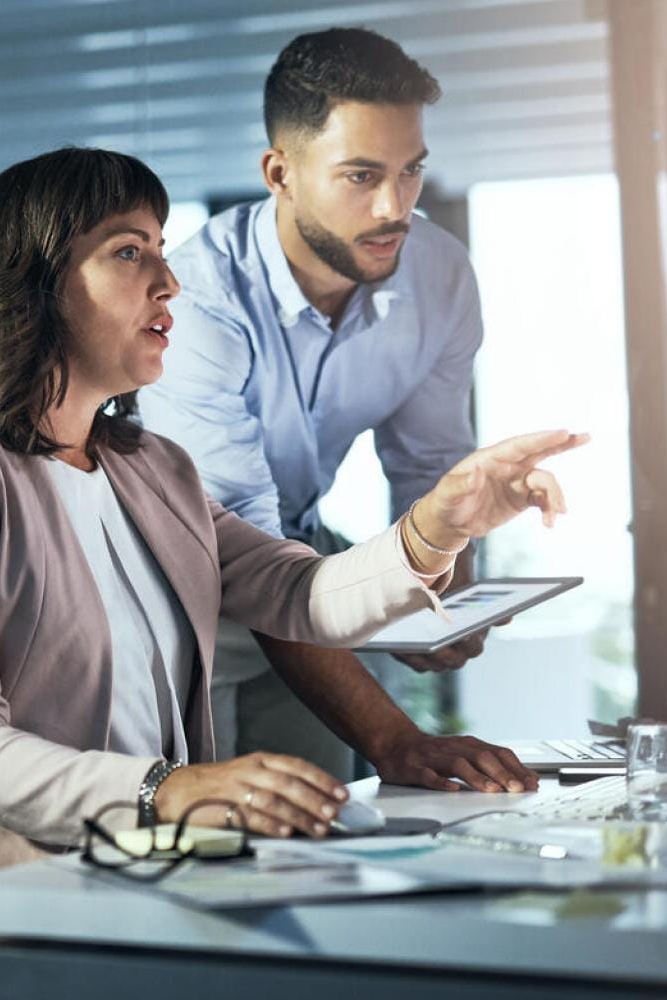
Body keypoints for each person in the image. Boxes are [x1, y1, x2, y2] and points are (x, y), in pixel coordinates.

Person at [0, 147, 584, 999]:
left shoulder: (152, 466)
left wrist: (436, 526)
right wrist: (171, 789)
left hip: (129, 900)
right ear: (35, 282)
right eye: (129, 251)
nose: (168, 283)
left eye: (163, 251)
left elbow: (297, 594)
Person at [138, 27, 505, 778]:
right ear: (280, 173)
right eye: (361, 176)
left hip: (303, 575)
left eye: (410, 171)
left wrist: (444, 596)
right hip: (178, 597)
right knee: (205, 834)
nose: (394, 206)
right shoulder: (196, 301)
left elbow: (430, 465)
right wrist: (393, 738)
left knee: (318, 822)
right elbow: (243, 554)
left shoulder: (437, 275)